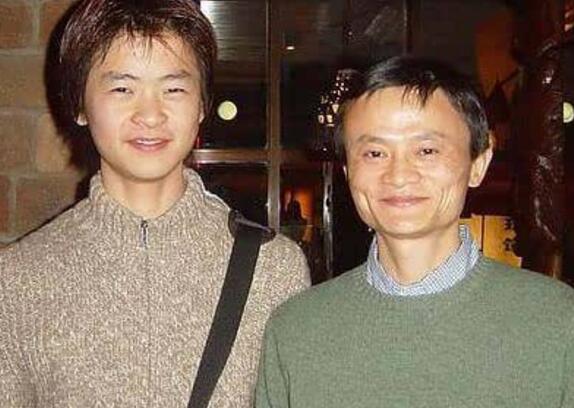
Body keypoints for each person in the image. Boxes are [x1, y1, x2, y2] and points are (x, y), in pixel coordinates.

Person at [0, 0, 309, 406]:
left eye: (173, 89)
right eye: (122, 89)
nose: (150, 114)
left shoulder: (276, 269)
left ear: (202, 105)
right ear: (79, 105)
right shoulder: (19, 280)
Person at [255, 56, 574, 407]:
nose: (399, 175)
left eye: (426, 150)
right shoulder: (295, 330)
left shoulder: (558, 321)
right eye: (375, 153)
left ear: (478, 163)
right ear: (348, 172)